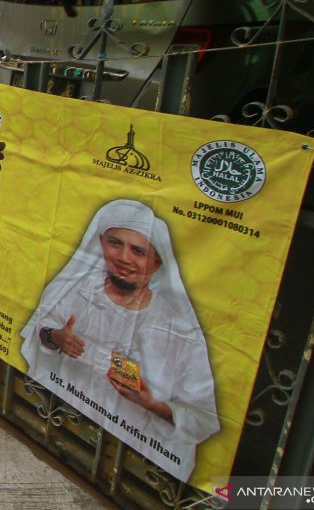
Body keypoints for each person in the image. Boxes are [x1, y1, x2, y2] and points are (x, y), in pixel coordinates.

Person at [19, 199, 219, 481]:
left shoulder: (178, 329)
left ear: (157, 262)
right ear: (101, 243)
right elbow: (40, 332)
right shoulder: (78, 290)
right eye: (115, 243)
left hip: (128, 464)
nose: (124, 257)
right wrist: (56, 337)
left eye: (138, 251)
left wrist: (153, 403)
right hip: (58, 426)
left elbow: (203, 417)